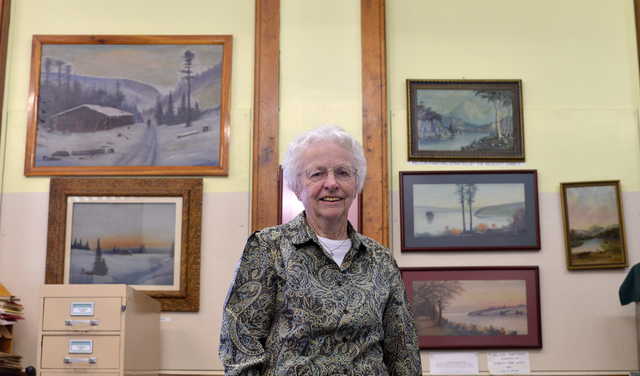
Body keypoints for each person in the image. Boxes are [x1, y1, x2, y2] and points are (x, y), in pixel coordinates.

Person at [219, 126, 422, 376]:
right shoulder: (267, 248)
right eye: (317, 174)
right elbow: (241, 345)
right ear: (296, 185)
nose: (332, 184)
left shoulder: (380, 259)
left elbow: (403, 351)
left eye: (343, 172)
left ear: (356, 183)